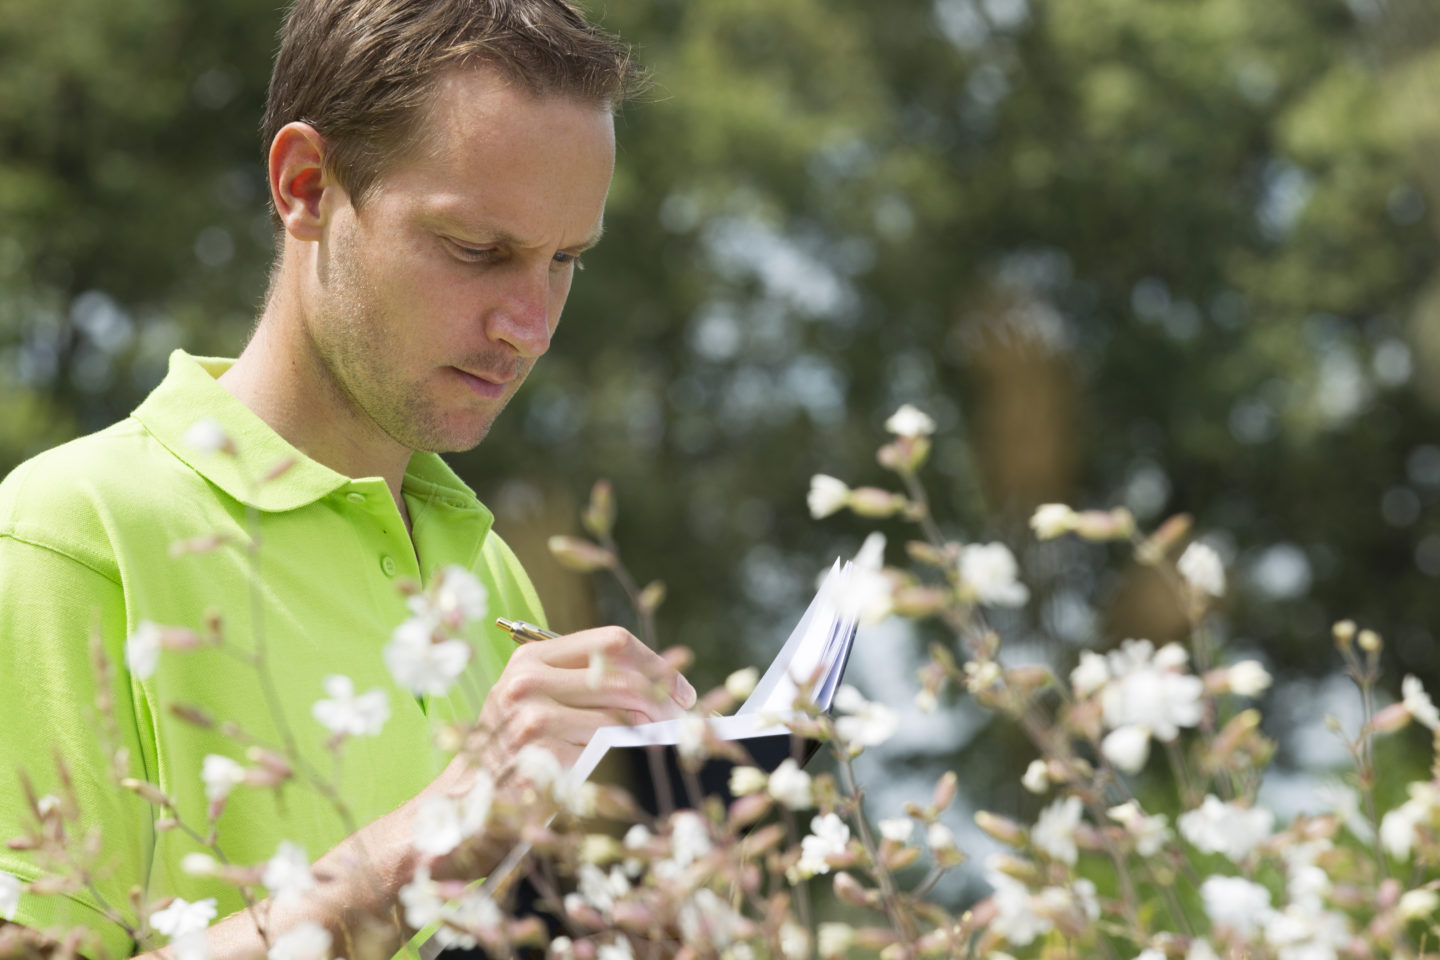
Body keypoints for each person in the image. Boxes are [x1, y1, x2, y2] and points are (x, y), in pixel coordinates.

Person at [0, 1, 696, 957]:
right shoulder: (68, 535)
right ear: (307, 185)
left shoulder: (491, 579)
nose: (529, 326)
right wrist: (421, 851)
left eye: (565, 260)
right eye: (477, 251)